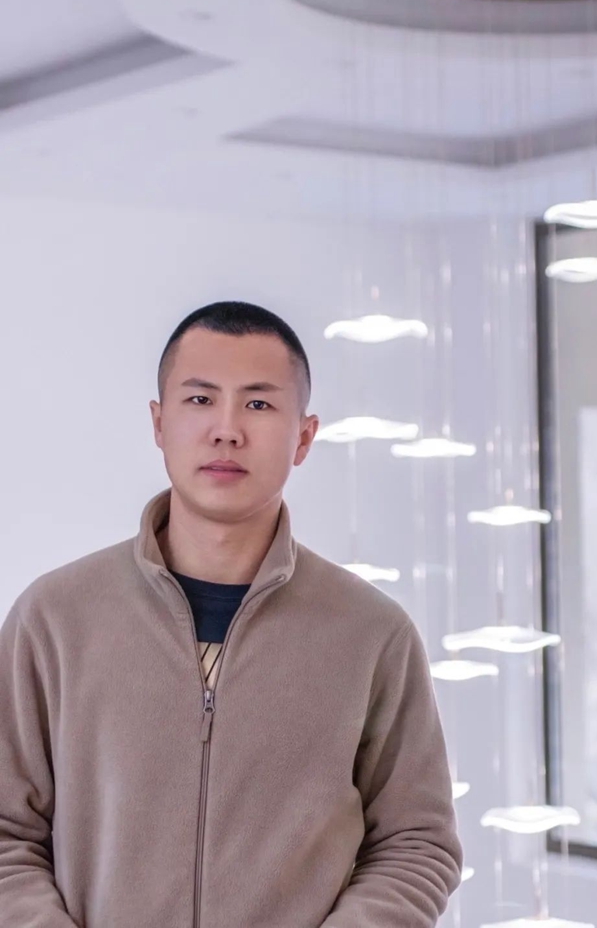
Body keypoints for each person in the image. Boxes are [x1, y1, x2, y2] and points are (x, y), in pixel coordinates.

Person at [0, 300, 464, 927]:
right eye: (200, 400)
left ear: (304, 436)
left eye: (259, 404)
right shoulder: (54, 620)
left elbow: (417, 842)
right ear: (159, 423)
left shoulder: (372, 634)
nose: (227, 430)